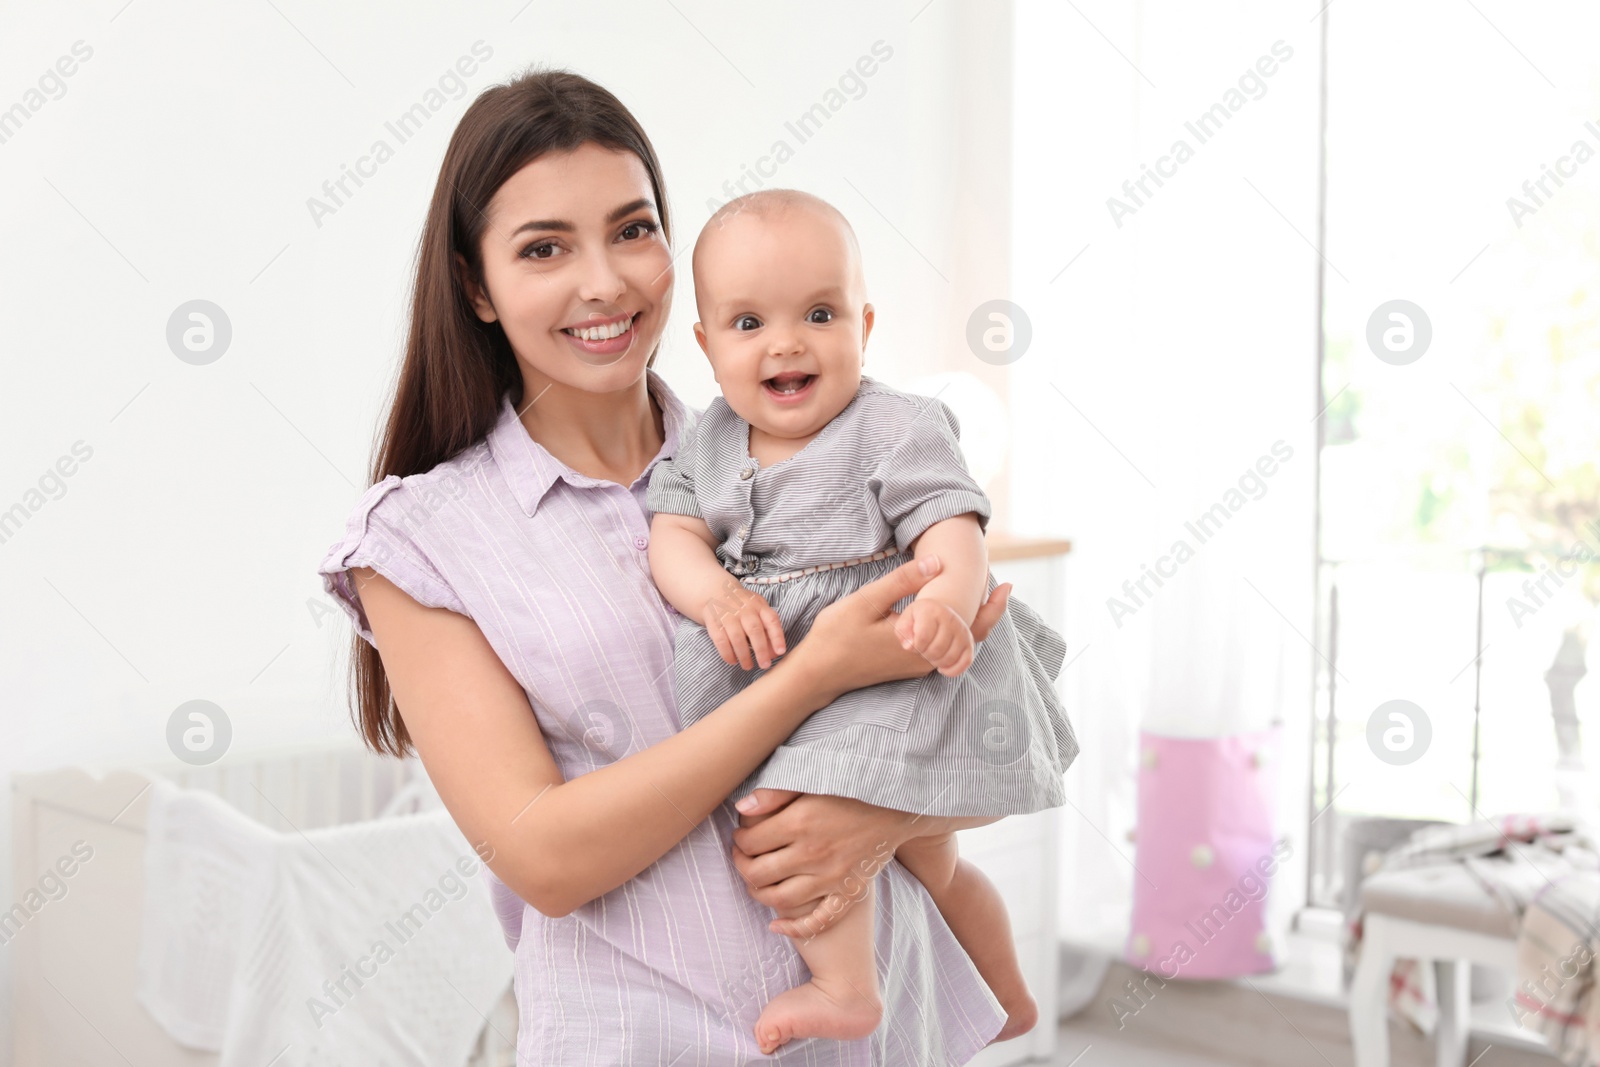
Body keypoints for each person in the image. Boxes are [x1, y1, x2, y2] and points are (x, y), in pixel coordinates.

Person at [317, 68, 1019, 1063]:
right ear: (477, 284)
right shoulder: (421, 541)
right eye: (544, 247)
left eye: (632, 229)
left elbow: (1005, 734)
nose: (603, 280)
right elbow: (545, 857)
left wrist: (880, 813)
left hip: (882, 1021)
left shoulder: (822, 455)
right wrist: (813, 677)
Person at [646, 189, 1078, 1053]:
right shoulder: (704, 444)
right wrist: (714, 596)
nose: (786, 342)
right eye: (747, 323)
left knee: (803, 790)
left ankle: (845, 987)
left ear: (864, 322)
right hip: (795, 665)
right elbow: (673, 537)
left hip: (895, 658)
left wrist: (948, 610)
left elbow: (954, 530)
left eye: (819, 312)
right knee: (934, 864)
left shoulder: (896, 425)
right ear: (705, 345)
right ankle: (1008, 992)